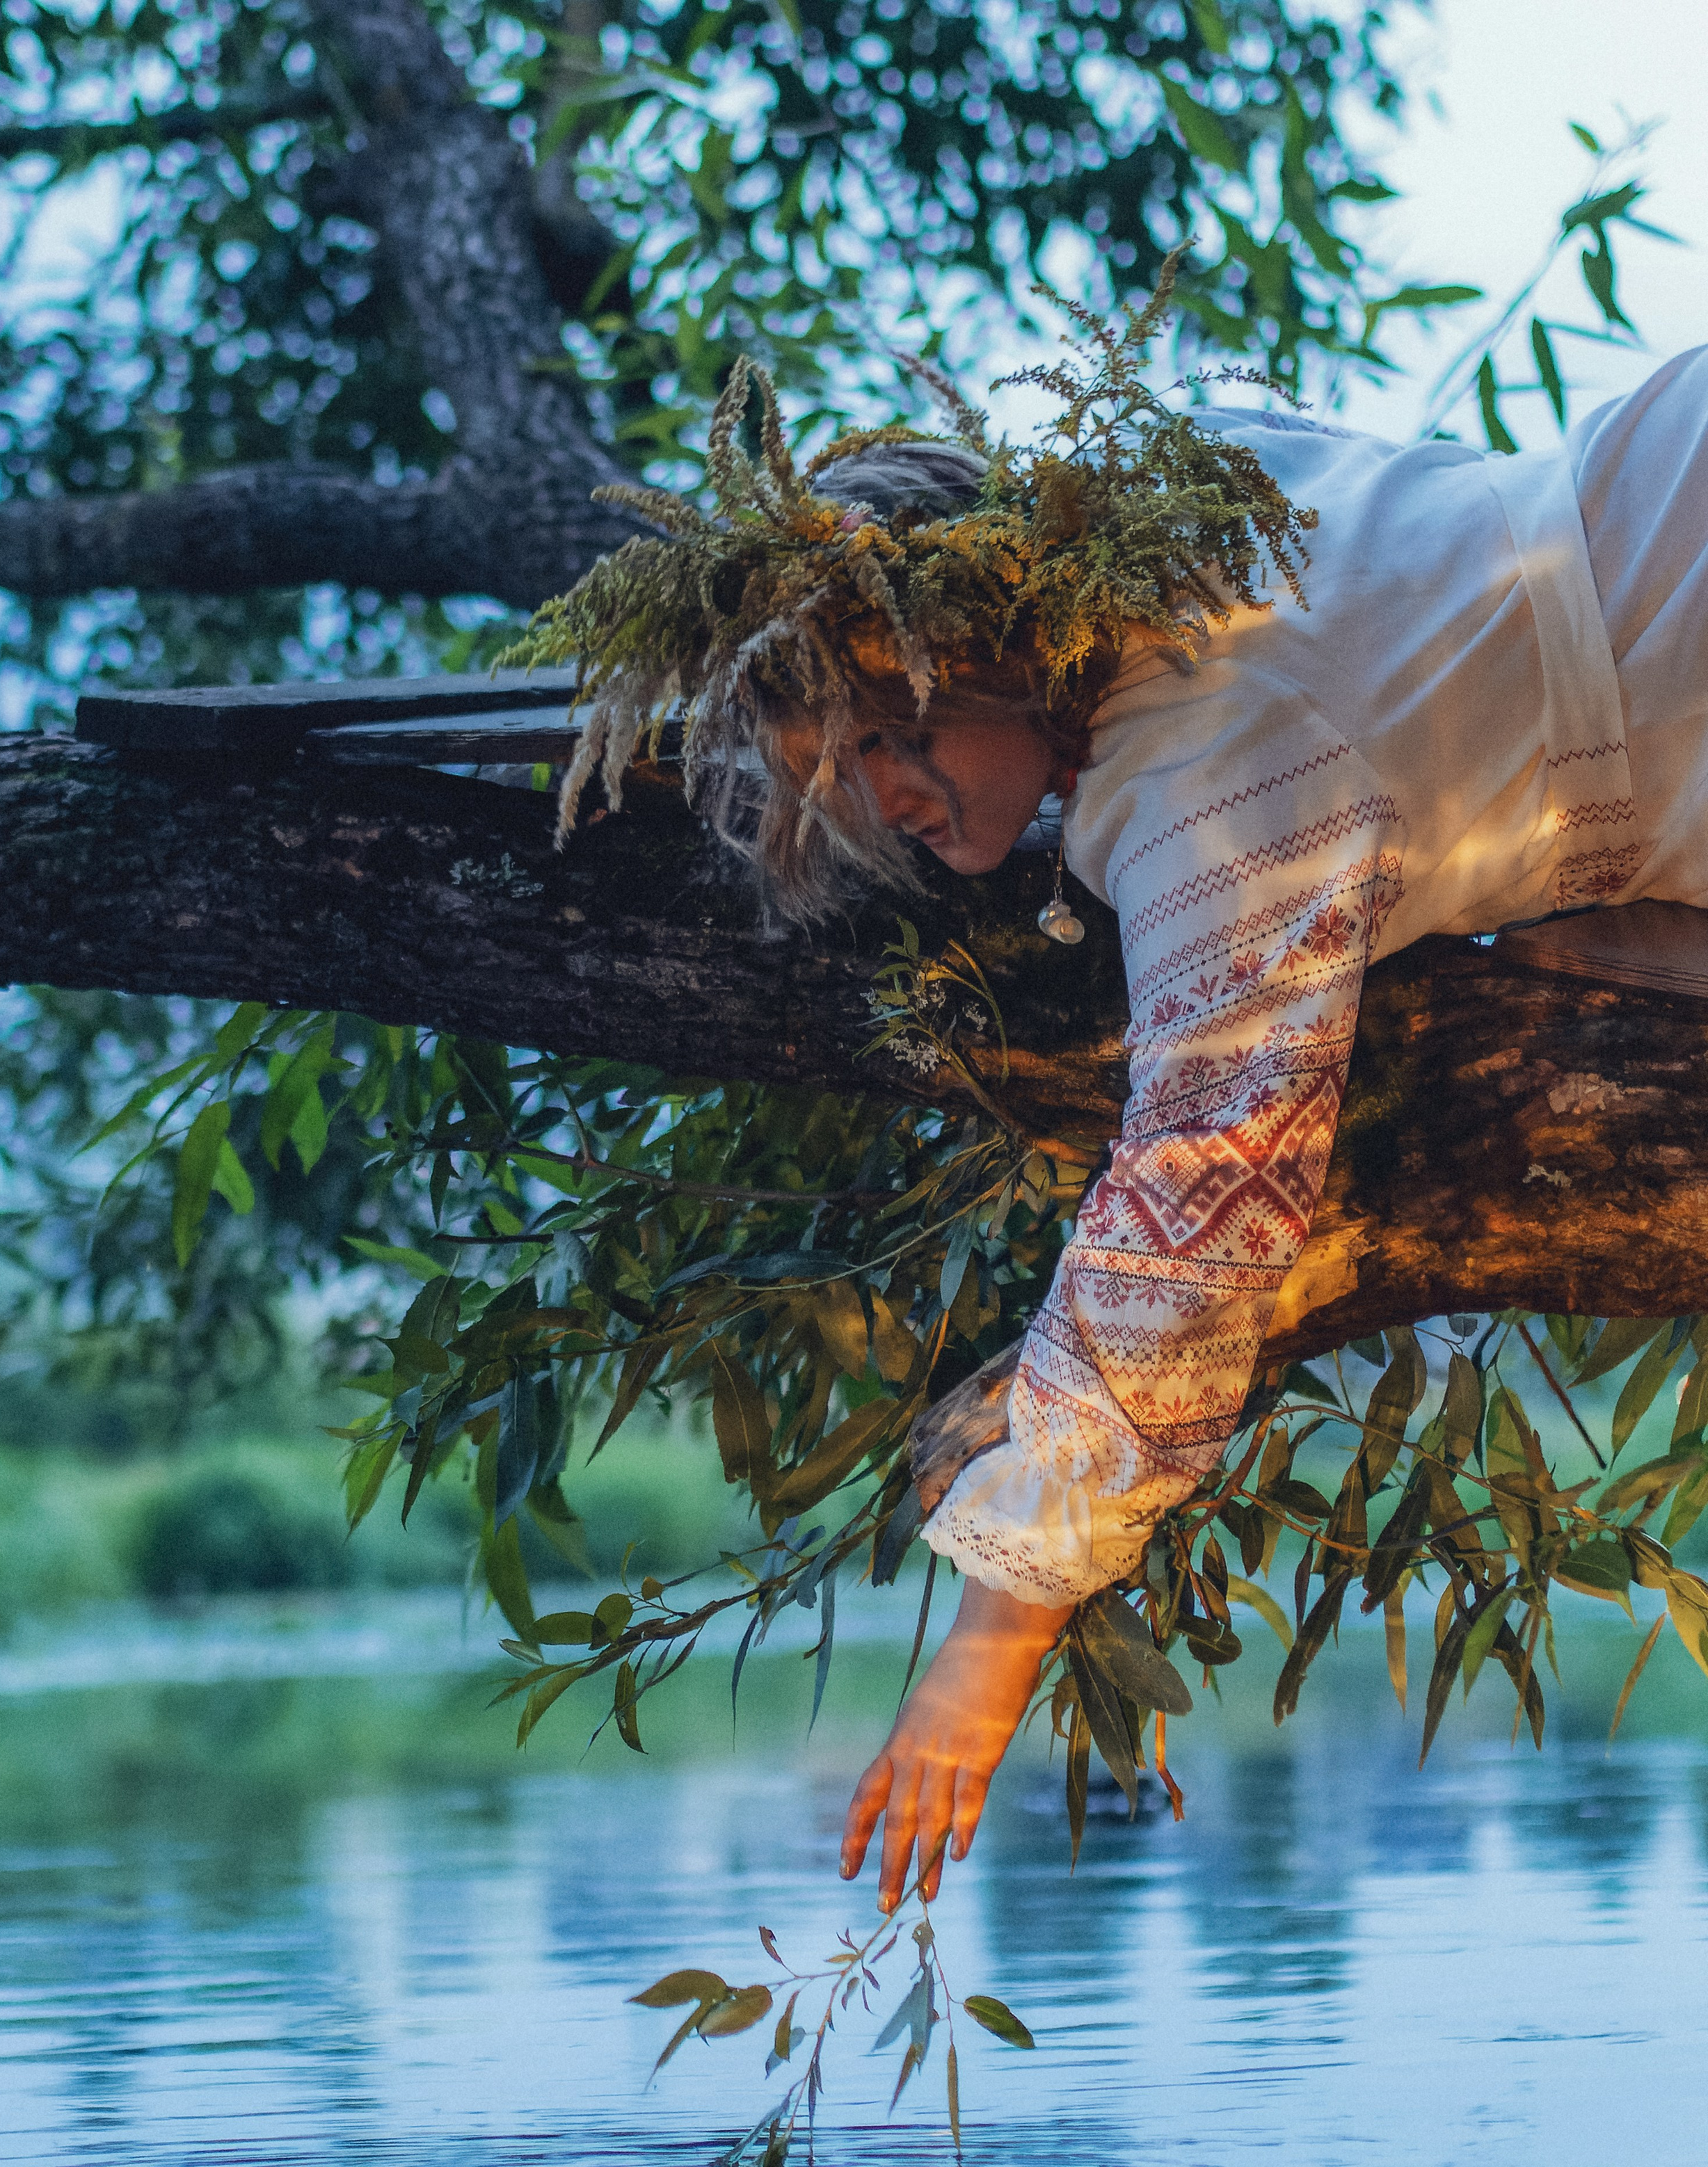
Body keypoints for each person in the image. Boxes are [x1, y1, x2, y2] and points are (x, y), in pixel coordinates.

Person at [513, 285, 1708, 1918]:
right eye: (840, 772)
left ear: (991, 644)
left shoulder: (1207, 774)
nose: (889, 794)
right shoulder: (1190, 493)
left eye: (893, 729)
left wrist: (986, 1659)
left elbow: (1201, 1202)